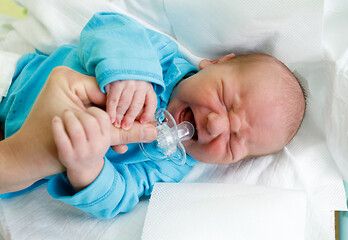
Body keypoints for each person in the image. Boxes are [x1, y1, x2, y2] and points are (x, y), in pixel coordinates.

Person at [0, 12, 306, 219]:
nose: (215, 125)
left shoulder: (169, 166)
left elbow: (121, 196)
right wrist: (130, 73)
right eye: (225, 99)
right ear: (213, 64)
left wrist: (87, 168)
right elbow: (107, 26)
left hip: (18, 162)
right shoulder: (159, 58)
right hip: (16, 81)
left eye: (233, 142)